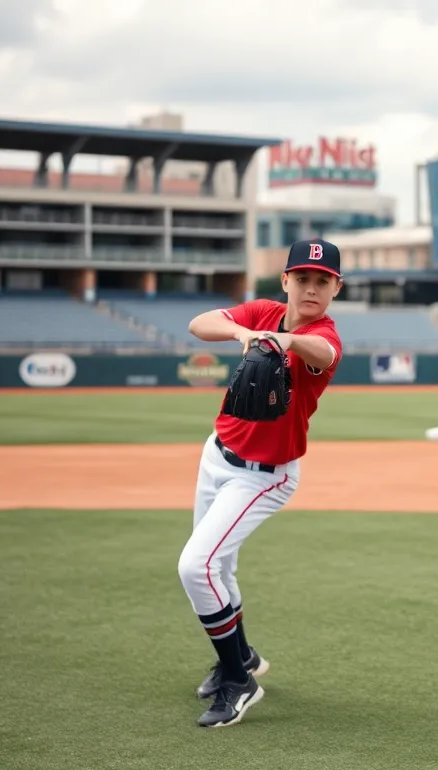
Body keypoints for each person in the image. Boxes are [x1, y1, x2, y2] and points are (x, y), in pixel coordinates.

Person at [178, 238, 344, 729]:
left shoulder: (325, 334)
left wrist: (287, 342)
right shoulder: (264, 311)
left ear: (335, 288)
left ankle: (238, 681)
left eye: (322, 280)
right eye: (303, 278)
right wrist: (244, 333)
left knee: (196, 567)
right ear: (286, 281)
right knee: (218, 568)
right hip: (217, 455)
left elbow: (322, 351)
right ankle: (243, 658)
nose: (311, 287)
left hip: (265, 477)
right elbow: (199, 323)